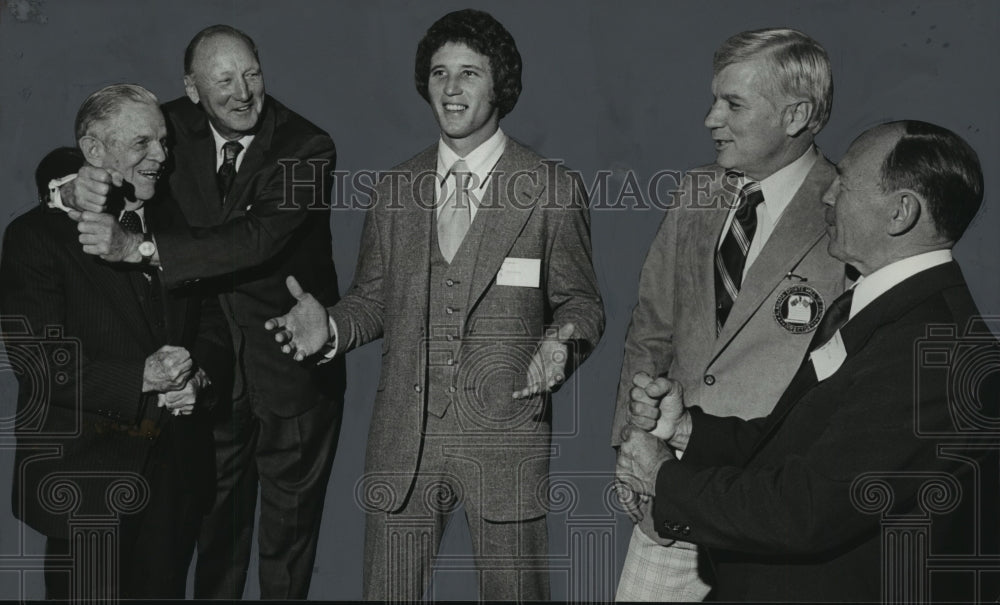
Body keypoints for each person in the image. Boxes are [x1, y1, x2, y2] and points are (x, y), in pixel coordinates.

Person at [265, 9, 604, 601]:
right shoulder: (395, 190)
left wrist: (559, 345)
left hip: (505, 444)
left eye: (469, 73)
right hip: (404, 444)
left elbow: (582, 303)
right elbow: (373, 300)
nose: (451, 89)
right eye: (440, 73)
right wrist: (332, 331)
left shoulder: (550, 187)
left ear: (499, 84)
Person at [617, 120, 997, 602]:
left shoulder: (936, 351)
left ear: (901, 212)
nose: (826, 194)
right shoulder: (885, 312)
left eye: (845, 182)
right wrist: (688, 430)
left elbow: (810, 508)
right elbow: (800, 445)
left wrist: (662, 479)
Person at [65, 25, 345, 599]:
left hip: (291, 373)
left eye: (252, 74)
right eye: (223, 81)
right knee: (216, 532)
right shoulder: (166, 131)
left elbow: (256, 238)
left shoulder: (307, 147)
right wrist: (71, 187)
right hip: (210, 373)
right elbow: (104, 152)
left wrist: (138, 249)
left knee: (287, 545)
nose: (243, 93)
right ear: (192, 90)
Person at [610, 28, 845, 601]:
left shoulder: (847, 208)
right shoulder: (695, 194)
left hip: (773, 499)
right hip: (672, 482)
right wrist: (631, 444)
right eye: (715, 100)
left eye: (733, 104)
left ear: (796, 115)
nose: (711, 120)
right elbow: (651, 327)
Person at [0, 86, 231, 599]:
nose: (161, 157)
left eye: (165, 142)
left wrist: (199, 377)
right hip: (84, 484)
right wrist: (142, 378)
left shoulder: (174, 229)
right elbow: (36, 361)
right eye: (142, 142)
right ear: (94, 150)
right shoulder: (35, 238)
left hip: (175, 482)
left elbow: (212, 324)